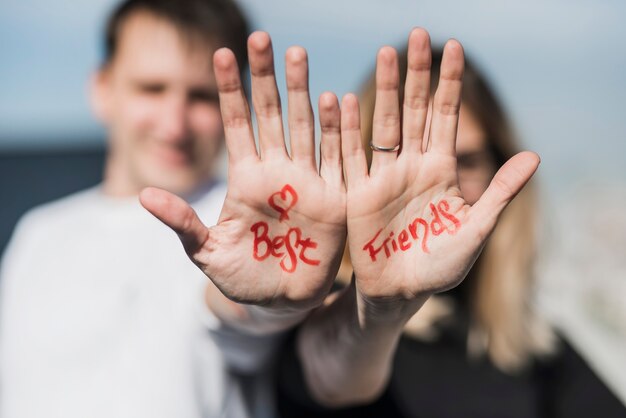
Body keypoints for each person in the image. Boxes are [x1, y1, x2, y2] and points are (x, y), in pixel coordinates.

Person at [0, 1, 347, 417]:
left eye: (201, 96)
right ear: (102, 89)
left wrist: (274, 303)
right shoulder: (39, 233)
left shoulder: (247, 220)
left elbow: (241, 310)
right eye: (152, 88)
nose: (174, 123)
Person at [276, 28, 626, 417]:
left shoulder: (532, 347)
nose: (442, 189)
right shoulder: (326, 308)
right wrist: (381, 312)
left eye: (469, 161)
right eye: (414, 159)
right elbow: (330, 371)